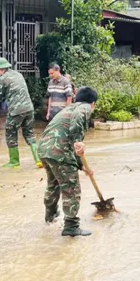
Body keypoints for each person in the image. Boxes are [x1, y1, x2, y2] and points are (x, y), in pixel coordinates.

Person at [37, 87, 98, 237]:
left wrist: (82, 166)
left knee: (53, 184)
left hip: (45, 149)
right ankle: (71, 226)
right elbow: (74, 138)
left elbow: (70, 143)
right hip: (59, 151)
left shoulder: (69, 108)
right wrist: (78, 141)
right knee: (71, 188)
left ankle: (50, 216)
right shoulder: (84, 107)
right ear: (93, 103)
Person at [0, 57, 42, 169]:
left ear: (1, 69)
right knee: (29, 134)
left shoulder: (3, 78)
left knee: (10, 134)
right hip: (29, 108)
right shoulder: (18, 74)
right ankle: (38, 159)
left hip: (16, 110)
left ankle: (14, 161)